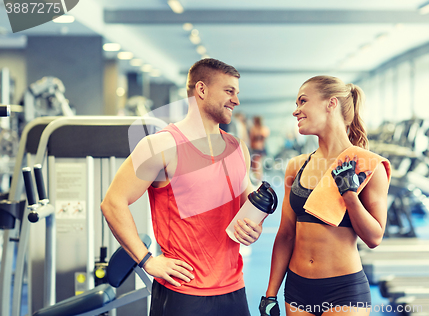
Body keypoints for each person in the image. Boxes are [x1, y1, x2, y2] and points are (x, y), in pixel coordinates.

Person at [101, 58, 263, 316]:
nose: (236, 100)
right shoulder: (161, 146)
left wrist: (253, 227)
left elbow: (244, 209)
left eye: (237, 93)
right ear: (201, 90)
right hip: (184, 292)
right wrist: (147, 261)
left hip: (233, 289)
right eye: (229, 91)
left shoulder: (237, 147)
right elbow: (112, 202)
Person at [260, 76, 391, 316]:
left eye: (302, 101)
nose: (295, 111)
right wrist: (270, 293)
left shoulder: (368, 164)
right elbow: (286, 234)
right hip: (297, 288)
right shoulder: (296, 165)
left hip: (344, 290)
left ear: (331, 103)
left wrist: (350, 196)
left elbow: (374, 238)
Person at [250, 115, 270, 180]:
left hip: (257, 148)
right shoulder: (263, 129)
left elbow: (252, 138)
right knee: (257, 164)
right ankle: (258, 178)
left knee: (257, 164)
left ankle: (258, 178)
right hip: (259, 148)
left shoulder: (254, 129)